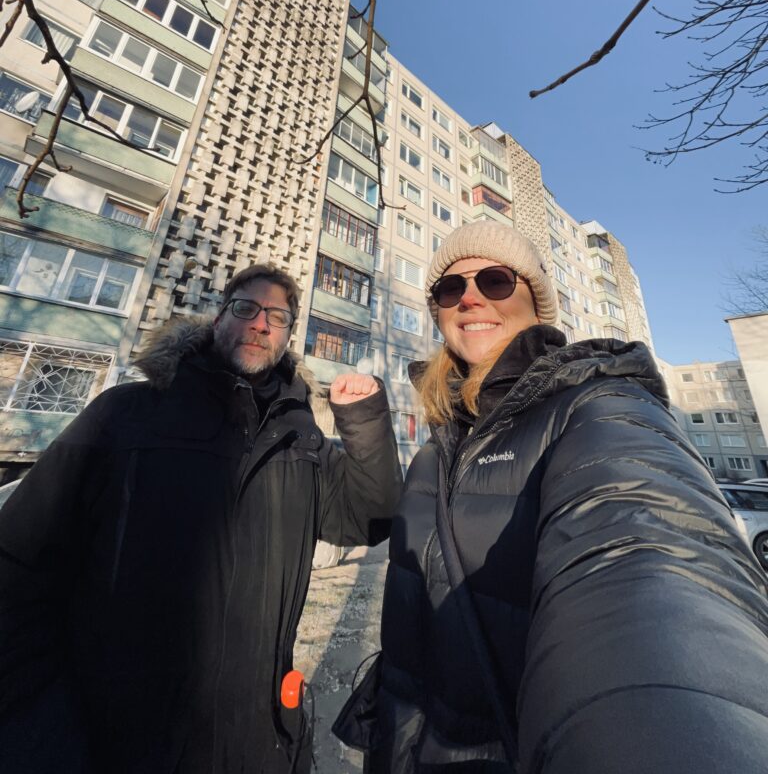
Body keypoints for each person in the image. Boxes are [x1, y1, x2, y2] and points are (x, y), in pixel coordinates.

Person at [337, 221, 768, 773]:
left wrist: (670, 714)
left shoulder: (596, 403)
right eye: (450, 288)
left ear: (536, 303)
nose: (469, 298)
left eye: (495, 280)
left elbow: (651, 544)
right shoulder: (441, 444)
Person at [0, 263, 402, 774]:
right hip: (120, 743)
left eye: (278, 317)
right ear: (218, 319)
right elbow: (18, 569)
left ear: (288, 336)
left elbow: (369, 517)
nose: (261, 323)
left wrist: (364, 421)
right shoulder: (126, 414)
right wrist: (41, 734)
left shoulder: (302, 442)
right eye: (246, 308)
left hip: (258, 741)